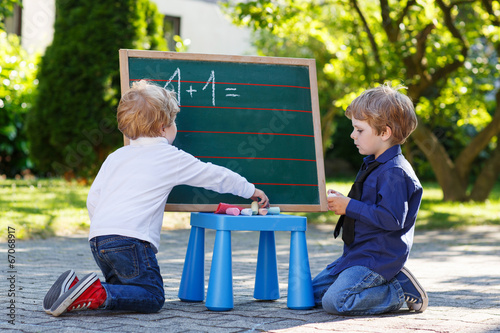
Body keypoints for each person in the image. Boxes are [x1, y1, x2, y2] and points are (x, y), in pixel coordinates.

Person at [43, 80, 269, 317]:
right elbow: (214, 175)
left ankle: (78, 290)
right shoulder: (169, 157)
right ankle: (92, 292)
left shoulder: (116, 156)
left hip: (99, 239)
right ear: (163, 127)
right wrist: (250, 190)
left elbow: (94, 198)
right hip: (131, 240)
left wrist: (103, 226)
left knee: (126, 293)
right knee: (151, 296)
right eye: (174, 122)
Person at [312, 83, 428, 316]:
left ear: (384, 133)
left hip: (377, 256)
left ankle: (398, 289)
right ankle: (387, 282)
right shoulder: (374, 164)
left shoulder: (395, 172)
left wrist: (349, 206)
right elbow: (367, 205)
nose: (352, 135)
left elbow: (392, 219)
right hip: (357, 254)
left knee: (336, 302)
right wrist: (344, 202)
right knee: (309, 294)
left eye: (359, 130)